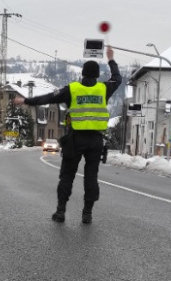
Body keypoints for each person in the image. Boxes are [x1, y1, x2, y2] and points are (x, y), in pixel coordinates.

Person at [14, 47, 121, 224]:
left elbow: (48, 98)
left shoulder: (72, 89)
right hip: (95, 140)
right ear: (96, 74)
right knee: (91, 177)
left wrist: (25, 100)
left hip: (75, 139)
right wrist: (111, 60)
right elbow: (117, 78)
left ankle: (61, 210)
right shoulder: (104, 89)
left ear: (83, 74)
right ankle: (87, 214)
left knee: (67, 176)